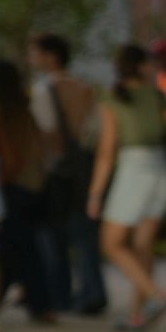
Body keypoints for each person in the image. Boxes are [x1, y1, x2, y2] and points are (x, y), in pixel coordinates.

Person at [88, 45, 166, 332]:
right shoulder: (156, 96)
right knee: (142, 246)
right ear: (140, 66)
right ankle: (138, 314)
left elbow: (106, 152)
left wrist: (96, 193)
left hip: (134, 169)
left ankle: (155, 296)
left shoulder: (112, 99)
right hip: (161, 170)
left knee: (111, 243)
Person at [28, 33, 106, 316]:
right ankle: (93, 290)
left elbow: (48, 133)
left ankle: (61, 293)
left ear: (51, 56)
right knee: (85, 234)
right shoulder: (84, 88)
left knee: (53, 235)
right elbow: (94, 129)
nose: (32, 59)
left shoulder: (43, 90)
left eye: (35, 53)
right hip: (84, 164)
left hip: (58, 168)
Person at [0, 60, 55, 327]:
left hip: (14, 189)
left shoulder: (1, 116)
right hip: (34, 188)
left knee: (14, 251)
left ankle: (23, 303)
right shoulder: (25, 112)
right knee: (25, 251)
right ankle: (29, 303)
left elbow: (11, 160)